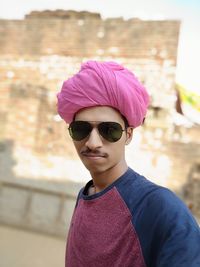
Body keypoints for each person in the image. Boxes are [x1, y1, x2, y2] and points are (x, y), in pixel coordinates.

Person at [57, 61, 200, 267]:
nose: (92, 143)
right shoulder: (85, 194)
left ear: (128, 135)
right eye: (81, 129)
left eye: (109, 130)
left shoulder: (160, 207)